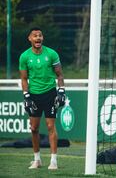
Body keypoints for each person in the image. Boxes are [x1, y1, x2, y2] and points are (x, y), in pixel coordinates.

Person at [19, 27, 66, 170]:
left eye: (40, 35)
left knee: (51, 126)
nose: (38, 38)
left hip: (50, 94)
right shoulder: (24, 56)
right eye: (35, 36)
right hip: (34, 95)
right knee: (34, 128)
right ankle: (37, 159)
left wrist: (61, 92)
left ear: (42, 38)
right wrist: (27, 96)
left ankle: (53, 161)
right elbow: (24, 78)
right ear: (30, 39)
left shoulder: (51, 54)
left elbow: (59, 75)